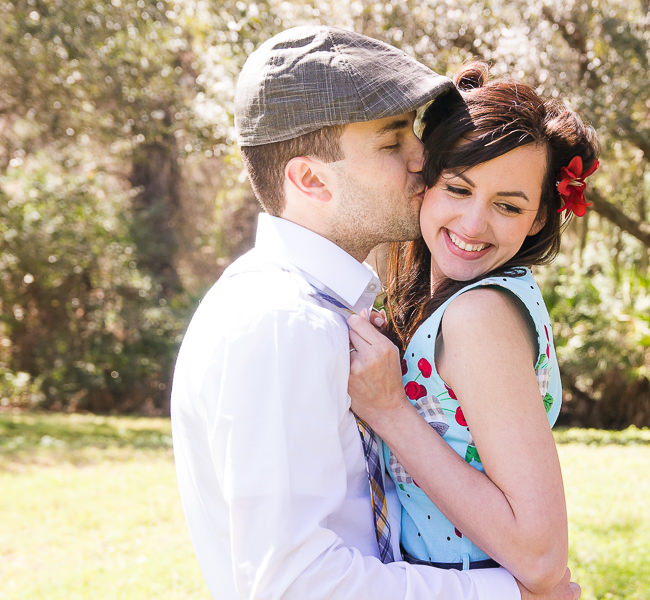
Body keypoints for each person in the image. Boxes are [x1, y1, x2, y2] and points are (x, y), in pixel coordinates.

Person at [170, 26, 580, 600]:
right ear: (311, 179)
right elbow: (296, 587)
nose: (422, 158)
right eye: (392, 144)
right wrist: (511, 594)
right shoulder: (284, 325)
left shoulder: (328, 311)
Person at [346, 63, 599, 596]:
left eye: (508, 205)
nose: (473, 225)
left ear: (537, 219)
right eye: (458, 189)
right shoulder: (445, 297)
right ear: (425, 183)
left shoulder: (479, 315)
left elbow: (541, 554)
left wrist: (388, 409)